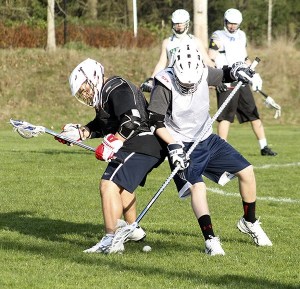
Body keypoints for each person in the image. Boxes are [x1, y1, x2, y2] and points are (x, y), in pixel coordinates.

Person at [147, 44, 272, 256]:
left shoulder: (203, 71)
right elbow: (155, 121)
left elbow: (224, 74)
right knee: (198, 187)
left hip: (206, 139)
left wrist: (236, 71)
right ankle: (210, 240)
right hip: (180, 144)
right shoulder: (164, 82)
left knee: (247, 172)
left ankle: (249, 221)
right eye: (184, 83)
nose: (188, 87)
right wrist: (173, 146)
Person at [56, 58, 166, 253]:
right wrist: (81, 133)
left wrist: (115, 141)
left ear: (95, 78)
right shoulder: (106, 95)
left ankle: (110, 240)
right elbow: (104, 125)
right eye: (82, 92)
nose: (86, 94)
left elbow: (132, 119)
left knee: (108, 185)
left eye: (85, 88)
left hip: (142, 142)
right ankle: (133, 229)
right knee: (123, 187)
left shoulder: (117, 88)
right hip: (140, 144)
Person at [208, 8, 280, 156]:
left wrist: (254, 75)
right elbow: (211, 57)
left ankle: (264, 147)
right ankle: (222, 150)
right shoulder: (217, 36)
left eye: (235, 24)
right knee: (225, 116)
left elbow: (245, 58)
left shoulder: (242, 35)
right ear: (225, 21)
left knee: (253, 113)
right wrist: (217, 79)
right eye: (230, 23)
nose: (232, 26)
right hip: (227, 80)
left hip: (242, 79)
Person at [141, 8, 214, 93]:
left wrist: (221, 76)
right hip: (173, 82)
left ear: (187, 23)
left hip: (193, 83)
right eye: (176, 23)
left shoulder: (196, 41)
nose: (179, 25)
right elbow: (162, 63)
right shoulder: (167, 42)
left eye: (181, 23)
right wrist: (151, 79)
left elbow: (207, 61)